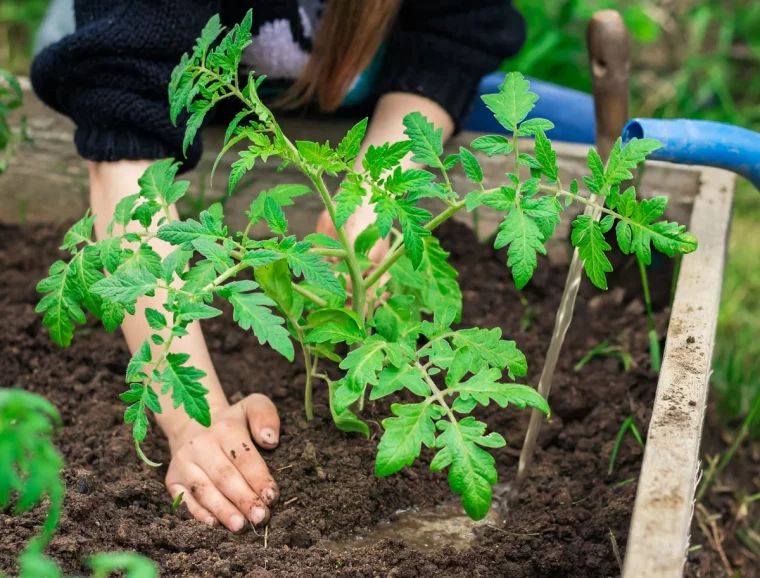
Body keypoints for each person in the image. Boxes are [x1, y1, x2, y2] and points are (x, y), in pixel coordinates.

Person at [31, 0, 526, 532]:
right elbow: (125, 135)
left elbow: (450, 36)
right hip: (141, 65)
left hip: (354, 87)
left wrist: (369, 200)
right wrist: (194, 420)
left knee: (570, 117)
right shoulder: (135, 58)